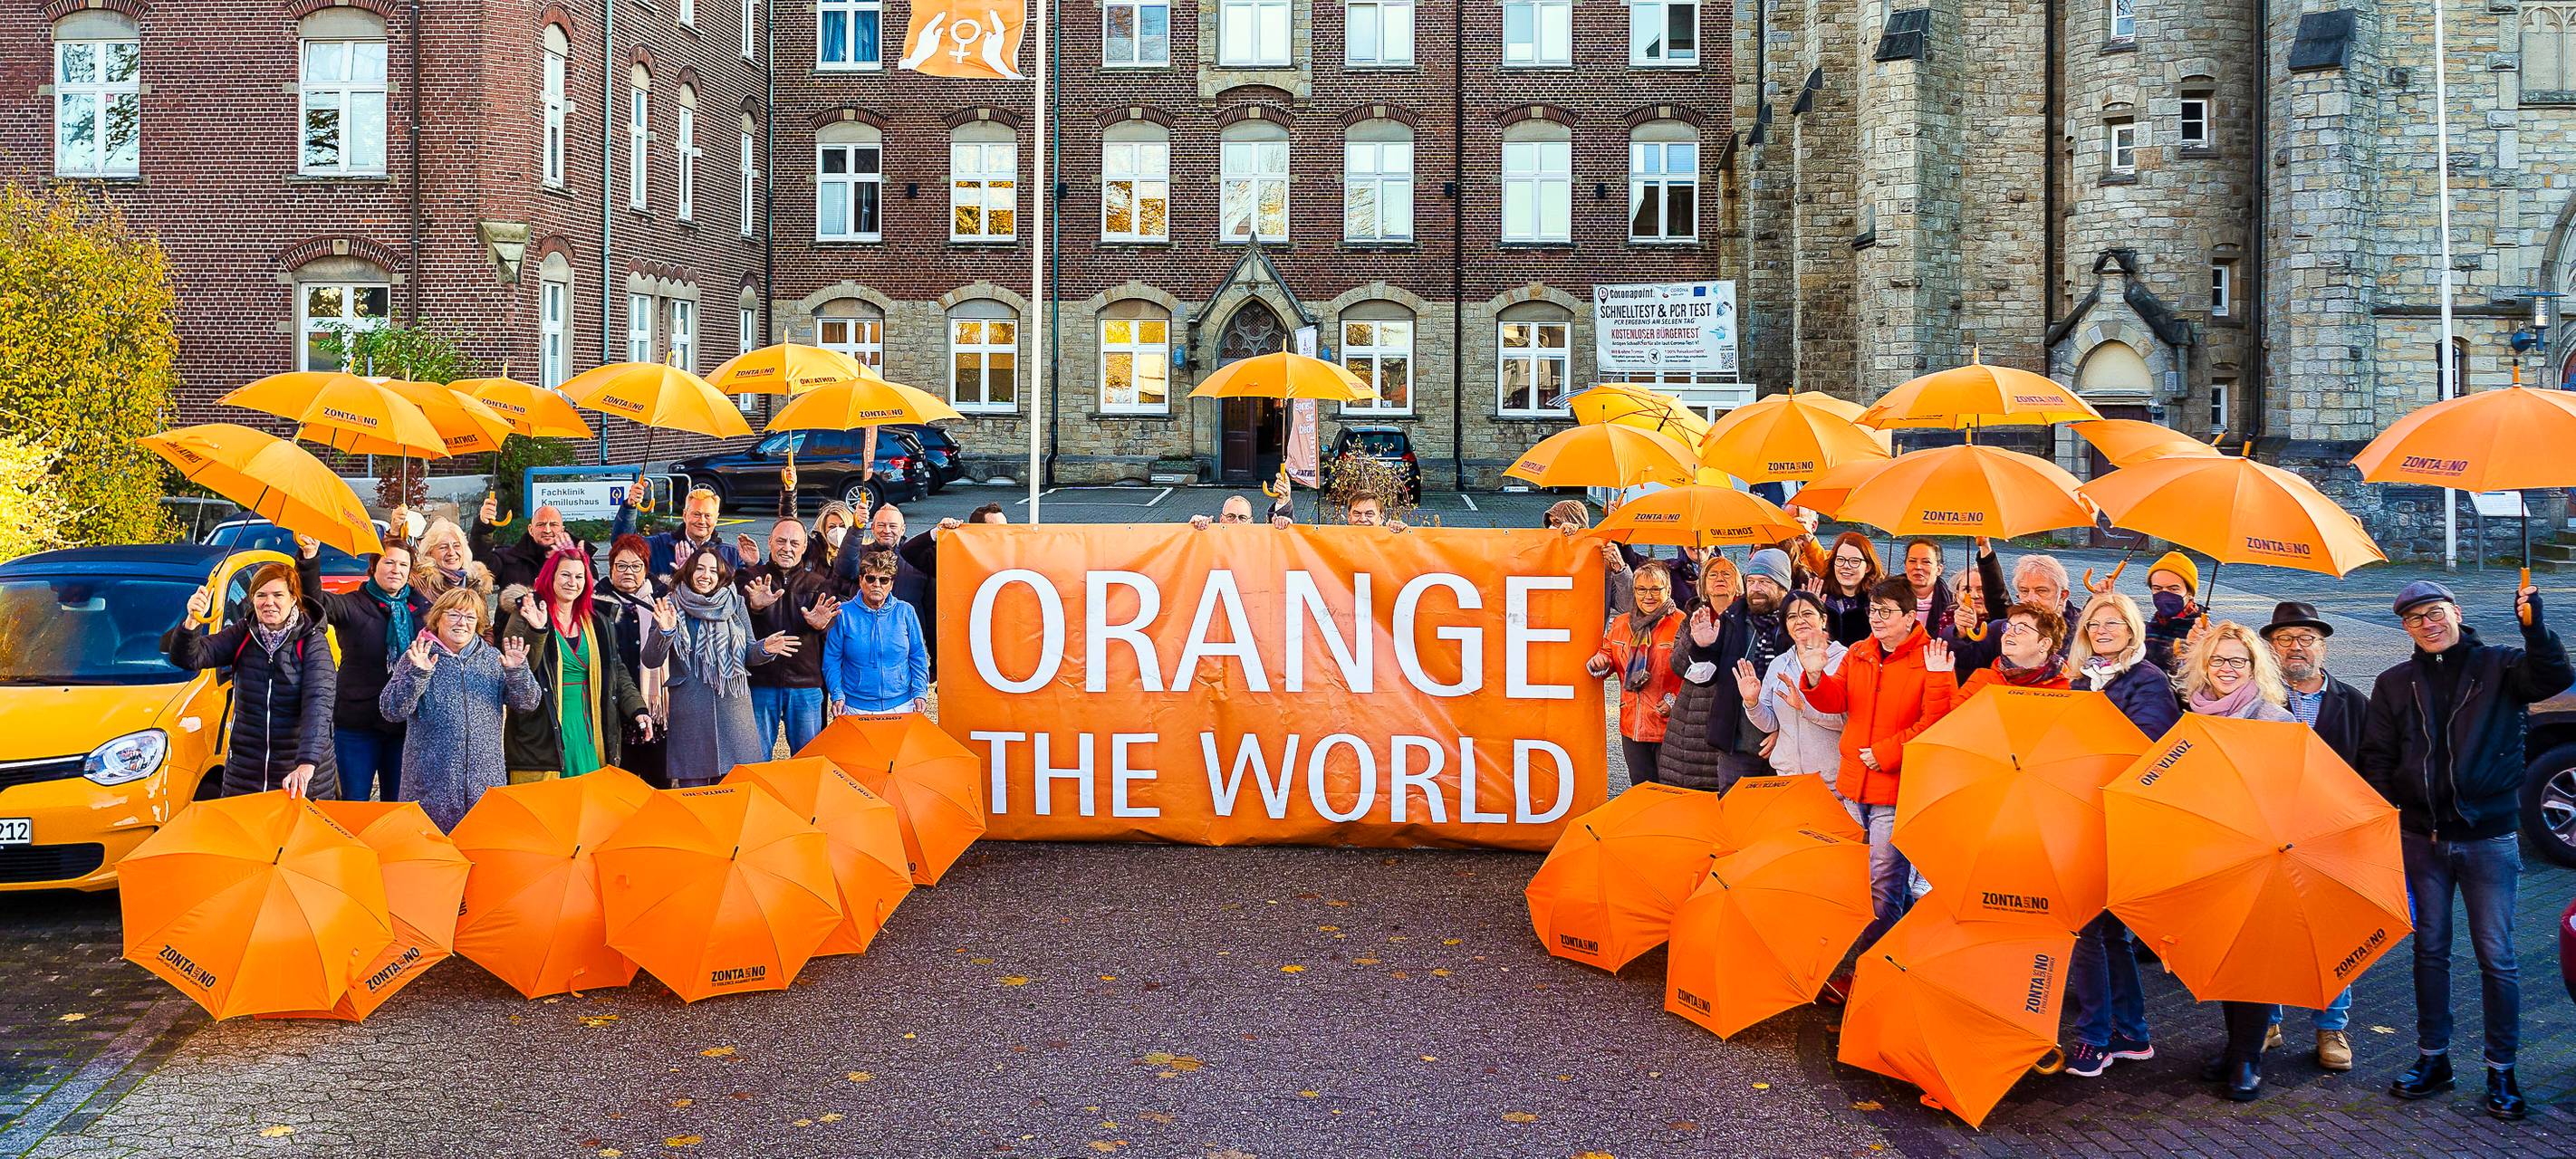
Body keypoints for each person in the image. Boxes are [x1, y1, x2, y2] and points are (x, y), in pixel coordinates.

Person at [2360, 579, 2571, 1121]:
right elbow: (2378, 755)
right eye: (2414, 619)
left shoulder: (2501, 666)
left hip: (2488, 840)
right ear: (2405, 629)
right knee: (2429, 951)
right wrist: (2393, 810)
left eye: (2434, 613)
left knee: (2496, 957)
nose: (2428, 625)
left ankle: (2502, 1069)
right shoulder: (2393, 682)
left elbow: (2553, 675)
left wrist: (2535, 626)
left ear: (2456, 611)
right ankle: (2434, 1059)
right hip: (2421, 840)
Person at [1796, 577, 1956, 959]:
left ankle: (1876, 964)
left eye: (1886, 612)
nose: (1877, 619)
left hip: (1895, 790)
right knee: (1857, 878)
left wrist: (1886, 754)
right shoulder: (1859, 652)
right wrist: (1815, 675)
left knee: (1885, 885)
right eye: (1873, 611)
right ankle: (1895, 952)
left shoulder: (1930, 657)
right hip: (1854, 784)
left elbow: (1937, 721)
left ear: (1909, 616)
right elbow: (1835, 702)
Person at [2058, 590, 2178, 1080]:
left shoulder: (2147, 683)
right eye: (2094, 624)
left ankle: (2095, 1037)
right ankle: (2132, 1032)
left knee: (2089, 929)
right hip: (2083, 814)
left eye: (2113, 623)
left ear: (2132, 630)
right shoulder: (2083, 681)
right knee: (2108, 933)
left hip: (2119, 820)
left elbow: (2144, 752)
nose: (2102, 631)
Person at [2174, 619, 2295, 1101]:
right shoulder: (2194, 718)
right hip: (2208, 850)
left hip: (2258, 852)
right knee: (2224, 955)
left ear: (2253, 667)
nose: (2226, 669)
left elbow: (2288, 791)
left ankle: (2248, 1057)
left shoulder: (2273, 719)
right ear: (2204, 665)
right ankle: (2234, 1046)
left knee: (2254, 958)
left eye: (2237, 661)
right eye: (2218, 660)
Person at [2255, 600, 2368, 1069]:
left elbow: (2374, 769)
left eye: (2306, 638)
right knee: (2271, 930)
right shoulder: (2258, 700)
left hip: (2333, 834)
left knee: (2333, 935)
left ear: (2322, 646)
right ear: (2271, 648)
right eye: (2284, 639)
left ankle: (2332, 1028)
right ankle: (2270, 1021)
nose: (2295, 647)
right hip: (2269, 832)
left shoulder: (2356, 702)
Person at [162, 561, 338, 798]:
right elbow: (190, 658)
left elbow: (318, 705)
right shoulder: (244, 633)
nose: (269, 602)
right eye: (261, 595)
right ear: (252, 599)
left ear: (294, 598)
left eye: (278, 595)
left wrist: (306, 764)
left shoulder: (312, 642)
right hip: (246, 775)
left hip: (297, 777)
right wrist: (192, 621)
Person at [378, 589, 542, 829]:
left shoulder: (492, 659)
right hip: (430, 788)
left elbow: (528, 702)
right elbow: (391, 710)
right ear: (438, 618)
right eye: (454, 615)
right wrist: (417, 675)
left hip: (484, 789)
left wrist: (517, 672)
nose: (462, 623)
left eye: (470, 617)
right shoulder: (418, 655)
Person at [500, 549, 656, 782]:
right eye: (565, 575)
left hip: (589, 727)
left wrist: (638, 710)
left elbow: (616, 671)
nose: (573, 582)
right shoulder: (526, 614)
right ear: (550, 577)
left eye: (579, 576)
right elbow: (521, 675)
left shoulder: (598, 620)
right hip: (544, 729)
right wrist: (538, 631)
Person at [294, 536, 427, 804]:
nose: (396, 570)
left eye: (403, 565)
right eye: (389, 562)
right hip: (357, 725)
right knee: (354, 802)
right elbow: (314, 603)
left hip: (403, 728)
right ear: (374, 566)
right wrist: (309, 559)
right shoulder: (353, 604)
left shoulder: (420, 609)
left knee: (398, 803)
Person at [664, 546, 798, 786]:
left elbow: (747, 652)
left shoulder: (734, 603)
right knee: (694, 796)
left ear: (721, 575)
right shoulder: (671, 605)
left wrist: (765, 648)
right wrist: (664, 631)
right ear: (690, 571)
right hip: (691, 712)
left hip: (732, 711)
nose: (706, 575)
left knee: (735, 792)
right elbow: (651, 659)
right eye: (700, 569)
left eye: (713, 571)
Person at [1663, 555, 1778, 793]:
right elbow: (1678, 666)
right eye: (1713, 574)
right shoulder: (1692, 619)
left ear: (1738, 584)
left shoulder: (1751, 619)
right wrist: (1698, 644)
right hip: (1698, 717)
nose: (1719, 579)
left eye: (1727, 574)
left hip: (1745, 721)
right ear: (1703, 584)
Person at [742, 518, 841, 756]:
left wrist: (822, 625)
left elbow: (832, 626)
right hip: (760, 683)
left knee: (807, 761)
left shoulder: (819, 583)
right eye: (781, 541)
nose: (788, 548)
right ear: (770, 542)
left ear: (804, 546)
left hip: (805, 685)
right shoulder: (750, 578)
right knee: (755, 758)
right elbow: (736, 620)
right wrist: (753, 606)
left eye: (795, 542)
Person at [1586, 560, 1683, 788]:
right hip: (1632, 725)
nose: (1648, 596)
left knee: (1671, 792)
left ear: (1667, 590)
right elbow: (1608, 654)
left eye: (1655, 590)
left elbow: (1695, 674)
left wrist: (1674, 700)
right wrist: (1600, 662)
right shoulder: (1621, 624)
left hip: (1669, 725)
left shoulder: (1682, 624)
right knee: (1641, 790)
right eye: (1641, 589)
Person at [1742, 589, 1848, 788]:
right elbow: (1770, 724)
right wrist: (1752, 703)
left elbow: (1849, 722)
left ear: (1823, 619)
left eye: (1807, 614)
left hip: (1833, 782)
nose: (1799, 621)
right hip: (1787, 778)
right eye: (1792, 617)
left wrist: (1805, 708)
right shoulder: (1779, 664)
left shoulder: (1844, 660)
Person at [597, 534, 674, 786]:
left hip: (655, 708)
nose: (628, 572)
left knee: (658, 784)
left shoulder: (662, 599)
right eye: (621, 565)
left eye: (636, 565)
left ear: (646, 568)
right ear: (611, 568)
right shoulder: (596, 603)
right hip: (614, 705)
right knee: (621, 786)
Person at [823, 548, 931, 714]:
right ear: (861, 580)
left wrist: (920, 693)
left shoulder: (906, 612)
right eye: (871, 578)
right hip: (855, 706)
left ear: (891, 584)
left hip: (903, 703)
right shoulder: (843, 614)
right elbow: (832, 659)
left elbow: (917, 656)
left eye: (884, 580)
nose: (877, 585)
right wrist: (837, 694)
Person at [616, 485, 746, 578]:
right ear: (685, 515)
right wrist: (630, 506)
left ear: (716, 519)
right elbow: (623, 544)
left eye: (708, 516)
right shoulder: (659, 545)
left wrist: (755, 563)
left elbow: (748, 594)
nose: (701, 521)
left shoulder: (732, 555)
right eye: (696, 514)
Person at [473, 497, 593, 593]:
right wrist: (483, 527)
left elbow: (589, 593)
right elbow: (481, 564)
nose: (547, 530)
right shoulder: (509, 557)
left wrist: (573, 560)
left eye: (553, 525)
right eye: (541, 524)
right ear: (530, 529)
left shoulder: (580, 559)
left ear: (562, 529)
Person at [1959, 603, 2071, 699]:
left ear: (2044, 644)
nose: (2009, 633)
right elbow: (1949, 719)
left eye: (2020, 629)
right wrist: (1943, 673)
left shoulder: (2071, 686)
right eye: (2008, 627)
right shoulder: (1982, 680)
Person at [1546, 500, 1631, 618]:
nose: (1553, 528)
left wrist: (1620, 569)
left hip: (1587, 634)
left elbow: (1626, 606)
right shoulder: (1542, 555)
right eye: (1550, 524)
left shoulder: (1601, 564)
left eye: (1557, 522)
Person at [410, 517, 496, 613]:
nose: (451, 552)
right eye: (443, 547)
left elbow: (483, 624)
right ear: (429, 552)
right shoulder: (419, 582)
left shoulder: (475, 582)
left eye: (456, 546)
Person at [2139, 551, 2204, 675]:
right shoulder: (2148, 629)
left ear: (2190, 592)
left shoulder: (2199, 631)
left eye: (2173, 589)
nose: (2164, 595)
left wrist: (2202, 649)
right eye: (2157, 588)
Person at [1817, 532, 1884, 646]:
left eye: (1854, 561)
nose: (1846, 566)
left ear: (1868, 567)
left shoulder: (1879, 602)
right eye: (1840, 560)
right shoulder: (1821, 596)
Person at [1899, 539, 1955, 636]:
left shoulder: (1952, 603)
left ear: (1939, 569)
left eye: (1926, 562)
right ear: (1905, 566)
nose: (1918, 567)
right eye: (1912, 561)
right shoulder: (1886, 597)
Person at [1191, 494, 1293, 530]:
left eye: (1242, 518)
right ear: (1221, 519)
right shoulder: (1209, 540)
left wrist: (1284, 527)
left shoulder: (1260, 543)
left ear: (1251, 522)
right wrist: (1193, 530)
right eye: (1230, 516)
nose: (1236, 523)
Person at [812, 500, 860, 571]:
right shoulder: (815, 551)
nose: (838, 530)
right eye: (832, 527)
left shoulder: (862, 550)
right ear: (823, 529)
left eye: (842, 526)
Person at [1344, 493, 1410, 532]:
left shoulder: (1390, 542)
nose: (1363, 519)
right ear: (1349, 517)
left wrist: (1403, 534)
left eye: (1369, 514)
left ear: (1381, 518)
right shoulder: (1337, 542)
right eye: (1357, 513)